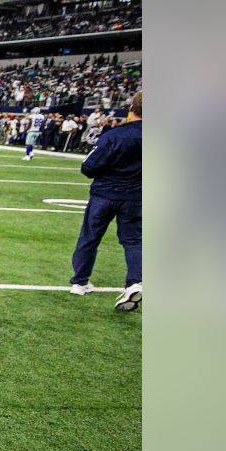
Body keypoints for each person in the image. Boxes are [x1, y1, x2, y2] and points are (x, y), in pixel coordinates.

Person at [69, 91, 142, 310]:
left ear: (130, 108)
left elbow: (88, 167)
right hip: (135, 196)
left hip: (105, 193)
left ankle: (80, 282)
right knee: (133, 240)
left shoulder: (115, 135)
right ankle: (135, 282)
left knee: (90, 236)